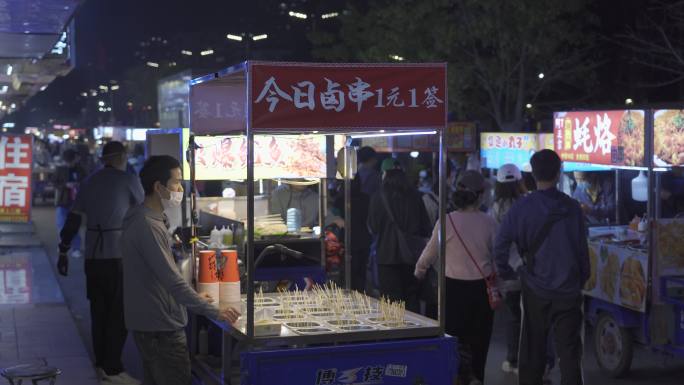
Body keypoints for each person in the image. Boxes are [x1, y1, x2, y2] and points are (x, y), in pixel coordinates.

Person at [120, 155, 240, 385]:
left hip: (150, 322)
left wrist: (194, 297)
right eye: (176, 182)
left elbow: (160, 277)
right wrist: (212, 310)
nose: (180, 189)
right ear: (158, 187)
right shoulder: (147, 226)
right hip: (160, 328)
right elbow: (171, 280)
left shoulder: (146, 218)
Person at [495, 150, 589, 385]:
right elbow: (582, 250)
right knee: (569, 352)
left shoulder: (521, 208)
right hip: (569, 290)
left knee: (533, 349)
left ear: (533, 175)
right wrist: (582, 279)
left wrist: (508, 272)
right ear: (559, 173)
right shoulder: (573, 208)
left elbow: (500, 245)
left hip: (535, 289)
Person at [57, 142, 144, 385]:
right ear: (120, 157)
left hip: (92, 256)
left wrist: (63, 251)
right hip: (117, 255)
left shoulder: (90, 181)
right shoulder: (128, 180)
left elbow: (73, 219)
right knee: (119, 313)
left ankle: (101, 364)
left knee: (99, 311)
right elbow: (144, 212)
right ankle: (113, 368)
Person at [415, 171, 497, 385]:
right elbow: (498, 257)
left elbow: (429, 253)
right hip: (481, 292)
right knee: (479, 342)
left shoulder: (447, 221)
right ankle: (477, 377)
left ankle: (456, 378)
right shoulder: (489, 223)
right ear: (480, 196)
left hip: (452, 292)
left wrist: (419, 272)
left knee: (453, 341)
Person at [368, 169, 431, 313]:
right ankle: (413, 332)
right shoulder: (416, 197)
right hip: (412, 255)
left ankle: (394, 333)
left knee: (390, 300)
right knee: (411, 297)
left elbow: (373, 227)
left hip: (386, 256)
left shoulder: (378, 197)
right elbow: (425, 226)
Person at [489, 164, 528, 374]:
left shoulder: (492, 210)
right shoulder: (526, 205)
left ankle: (513, 360)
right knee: (530, 317)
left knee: (513, 316)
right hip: (528, 269)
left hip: (505, 271)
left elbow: (493, 243)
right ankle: (530, 360)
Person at [55, 148, 86, 258]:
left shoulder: (80, 169)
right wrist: (65, 185)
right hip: (63, 200)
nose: (69, 163)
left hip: (75, 201)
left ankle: (76, 248)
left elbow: (85, 182)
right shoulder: (60, 169)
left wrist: (78, 185)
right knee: (61, 224)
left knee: (74, 226)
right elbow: (55, 183)